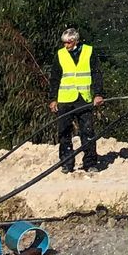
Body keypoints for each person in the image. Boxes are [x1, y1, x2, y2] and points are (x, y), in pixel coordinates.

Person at [49, 26, 105, 173]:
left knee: (87, 131)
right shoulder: (60, 55)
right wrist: (53, 99)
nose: (65, 45)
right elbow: (54, 78)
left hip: (83, 97)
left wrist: (98, 94)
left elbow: (96, 73)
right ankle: (67, 163)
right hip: (65, 99)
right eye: (64, 43)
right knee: (64, 132)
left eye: (68, 42)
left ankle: (90, 163)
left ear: (75, 41)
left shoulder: (89, 51)